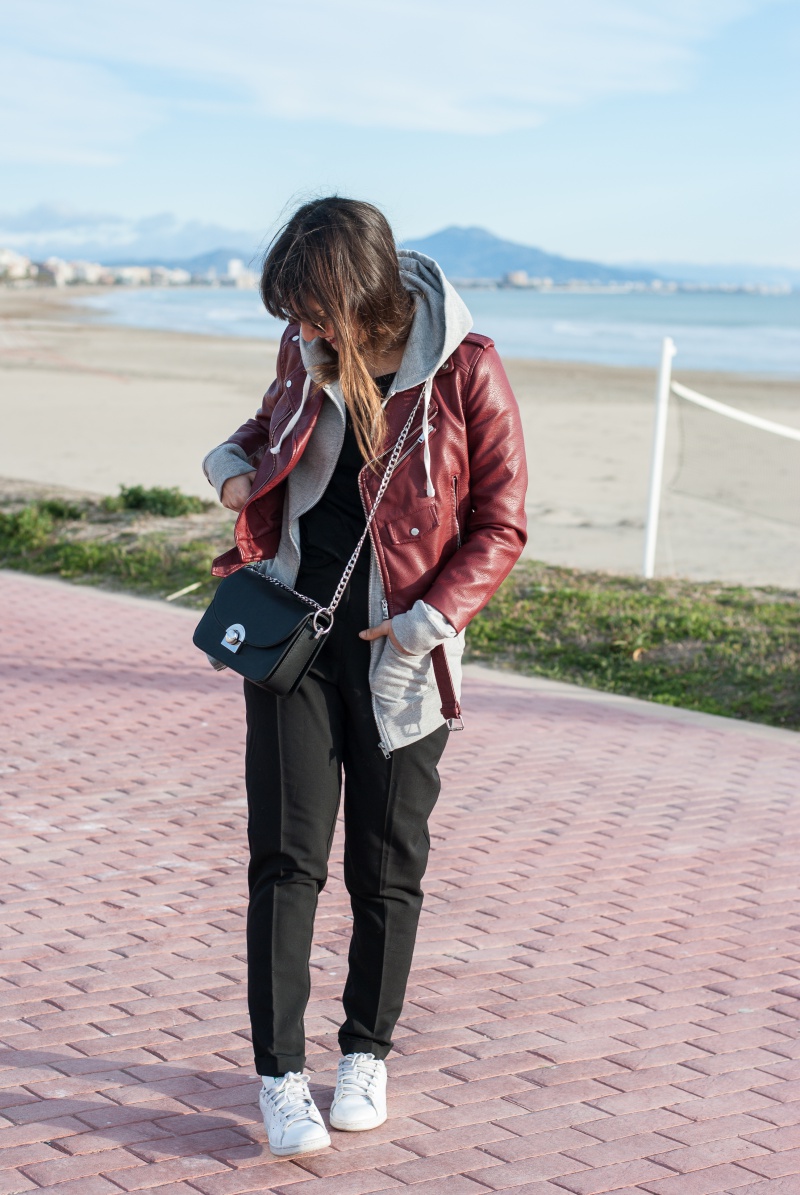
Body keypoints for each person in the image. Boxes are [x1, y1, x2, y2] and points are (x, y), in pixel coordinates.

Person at [202, 197, 527, 1157]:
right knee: (285, 861)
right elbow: (259, 434)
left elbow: (501, 519)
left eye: (311, 310)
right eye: (290, 315)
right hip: (290, 647)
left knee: (387, 872)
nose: (298, 331)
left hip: (402, 660)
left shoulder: (467, 369)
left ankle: (365, 1054)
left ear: (362, 296)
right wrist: (229, 470)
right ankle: (278, 1076)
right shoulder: (303, 354)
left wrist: (428, 622)